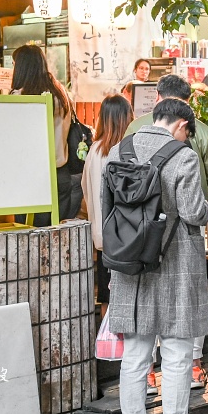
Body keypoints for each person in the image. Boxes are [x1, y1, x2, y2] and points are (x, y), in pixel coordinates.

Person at [106, 98, 208, 414]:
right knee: (178, 354)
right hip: (175, 265)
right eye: (188, 131)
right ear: (181, 124)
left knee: (136, 355)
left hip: (130, 265)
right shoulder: (183, 156)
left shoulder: (120, 150)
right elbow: (194, 212)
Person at [125, 73, 208, 388]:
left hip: (139, 230)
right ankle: (194, 366)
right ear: (190, 101)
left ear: (157, 96)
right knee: (188, 297)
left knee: (149, 295)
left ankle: (150, 371)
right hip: (185, 231)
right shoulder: (201, 131)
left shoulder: (135, 127)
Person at [10, 43, 77, 224]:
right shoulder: (61, 93)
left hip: (31, 177)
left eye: (15, 64)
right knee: (56, 237)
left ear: (23, 67)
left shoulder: (19, 98)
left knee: (30, 239)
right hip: (61, 174)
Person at [81, 95, 133, 318]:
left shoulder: (95, 150)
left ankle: (108, 345)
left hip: (102, 235)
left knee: (106, 292)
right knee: (129, 290)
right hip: (126, 235)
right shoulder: (127, 149)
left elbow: (85, 186)